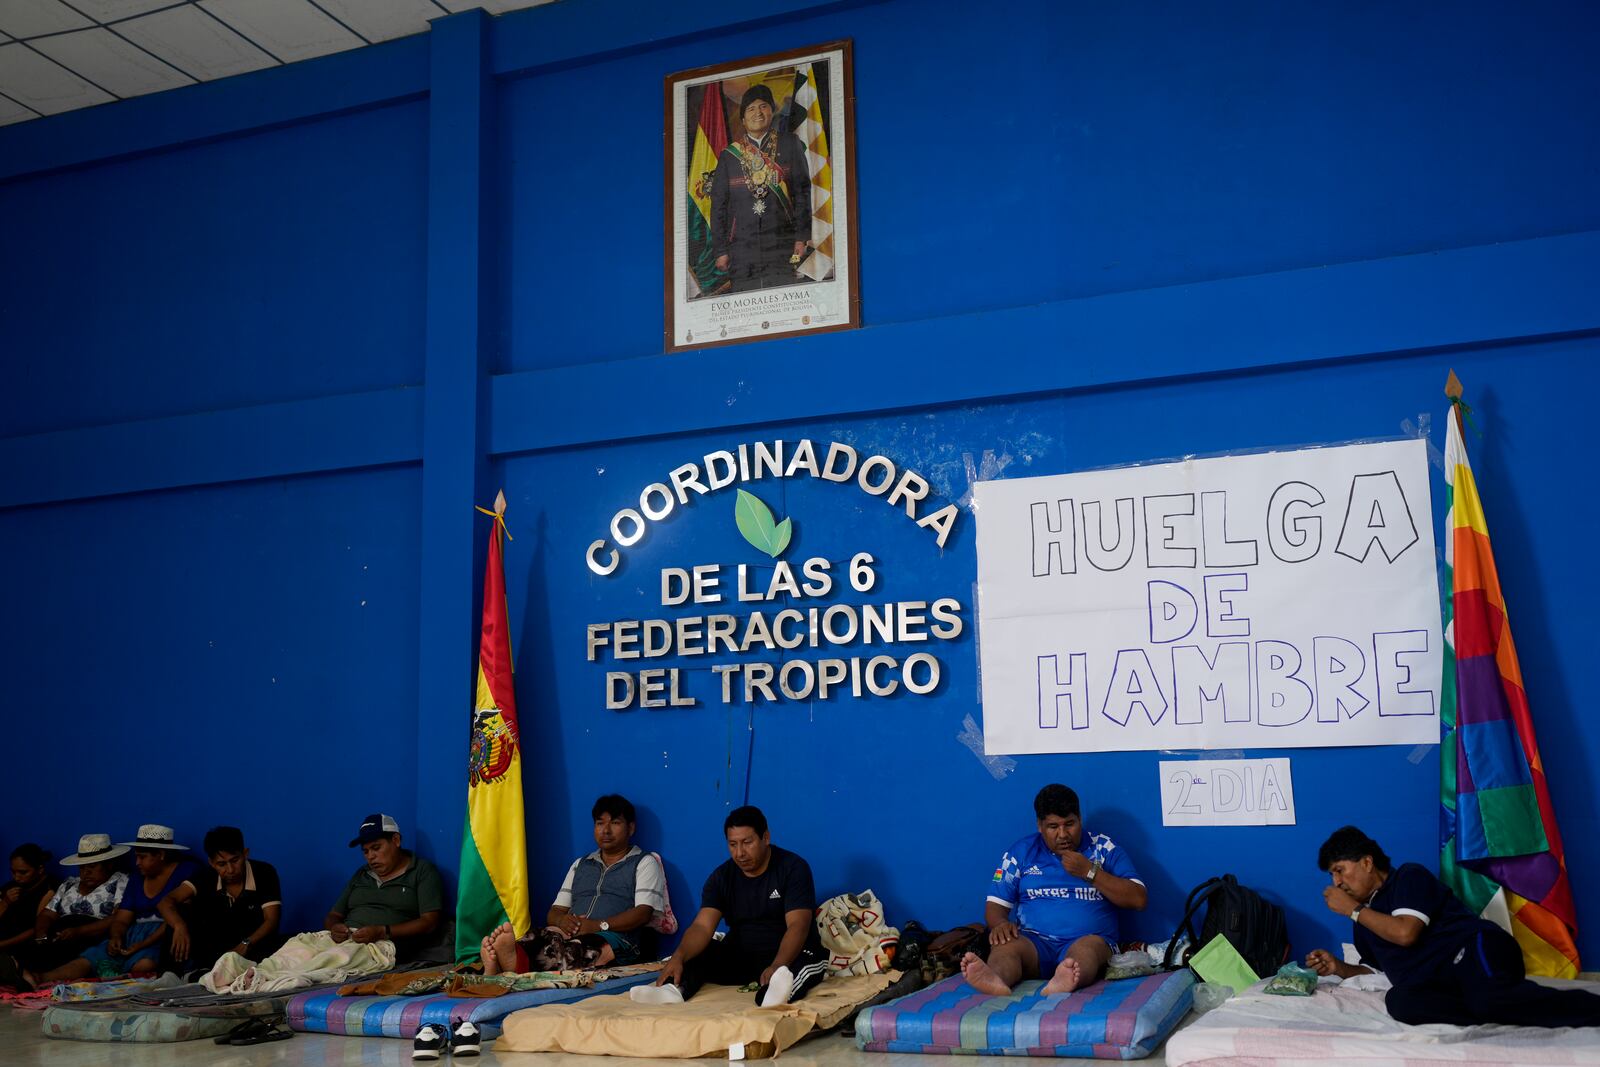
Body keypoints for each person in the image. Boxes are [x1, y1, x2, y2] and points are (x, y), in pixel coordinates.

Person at [1305, 826, 1600, 1028]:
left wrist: (1353, 910)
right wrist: (1340, 968)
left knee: (1491, 999)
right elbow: (1379, 973)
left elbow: (1406, 933)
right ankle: (1489, 1006)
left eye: (1339, 870)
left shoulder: (1408, 877)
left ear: (1367, 862)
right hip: (1435, 982)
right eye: (1332, 875)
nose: (1336, 883)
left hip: (1471, 949)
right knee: (1401, 1003)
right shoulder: (1363, 922)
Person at [961, 784, 1147, 996]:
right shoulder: (1021, 852)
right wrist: (1001, 924)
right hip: (1034, 943)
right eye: (1053, 826)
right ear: (1039, 825)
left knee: (1086, 950)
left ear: (1080, 819)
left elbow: (1139, 899)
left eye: (1070, 824)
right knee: (1006, 947)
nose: (1063, 834)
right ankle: (995, 977)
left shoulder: (1102, 848)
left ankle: (1066, 979)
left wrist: (1090, 872)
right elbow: (995, 906)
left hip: (1089, 939)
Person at [632, 805, 826, 1007]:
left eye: (747, 843)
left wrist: (778, 964)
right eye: (733, 844)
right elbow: (702, 927)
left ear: (766, 837)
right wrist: (678, 956)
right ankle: (673, 990)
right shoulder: (721, 878)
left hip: (790, 953)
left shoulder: (793, 868)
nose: (740, 853)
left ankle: (772, 996)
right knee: (699, 951)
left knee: (796, 969)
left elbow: (798, 925)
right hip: (745, 957)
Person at [480, 794, 665, 975]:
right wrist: (562, 921)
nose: (606, 830)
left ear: (631, 828)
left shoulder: (644, 862)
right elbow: (554, 912)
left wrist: (598, 925)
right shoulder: (581, 864)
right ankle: (504, 962)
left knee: (574, 950)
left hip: (616, 939)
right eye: (600, 823)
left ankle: (510, 966)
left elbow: (643, 913)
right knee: (537, 938)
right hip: (570, 933)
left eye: (615, 823)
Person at [709, 83, 813, 294]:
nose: (758, 112)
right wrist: (720, 250)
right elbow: (718, 205)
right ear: (743, 119)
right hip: (741, 248)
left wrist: (801, 237)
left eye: (763, 106)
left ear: (772, 111)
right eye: (751, 108)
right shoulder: (729, 156)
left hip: (782, 243)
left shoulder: (790, 144)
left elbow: (802, 193)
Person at [0, 833, 129, 990]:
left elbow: (118, 917)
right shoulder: (69, 884)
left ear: (109, 864)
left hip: (90, 934)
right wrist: (42, 934)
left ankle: (26, 975)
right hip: (61, 933)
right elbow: (47, 914)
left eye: (92, 867)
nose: (85, 872)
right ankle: (17, 971)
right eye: (82, 867)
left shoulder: (120, 881)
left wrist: (79, 931)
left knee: (60, 954)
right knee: (34, 949)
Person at [158, 826, 283, 973]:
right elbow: (166, 902)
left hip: (253, 945)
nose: (230, 869)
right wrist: (179, 926)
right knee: (179, 913)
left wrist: (245, 944)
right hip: (217, 946)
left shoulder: (264, 872)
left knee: (287, 946)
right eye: (222, 864)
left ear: (245, 853)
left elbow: (271, 920)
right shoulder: (205, 876)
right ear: (211, 863)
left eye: (235, 860)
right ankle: (174, 975)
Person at [325, 813, 444, 963]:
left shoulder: (422, 871)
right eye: (366, 851)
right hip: (343, 940)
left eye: (376, 848)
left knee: (328, 964)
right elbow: (333, 914)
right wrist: (335, 928)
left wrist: (383, 931)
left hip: (380, 946)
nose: (370, 856)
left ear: (396, 840)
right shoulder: (362, 874)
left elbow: (429, 922)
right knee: (295, 953)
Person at [0, 845, 59, 954]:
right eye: (13, 872)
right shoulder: (11, 886)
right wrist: (5, 902)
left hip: (18, 947)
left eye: (23, 872)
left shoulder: (50, 889)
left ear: (40, 869)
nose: (16, 877)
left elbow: (36, 929)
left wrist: (2, 945)